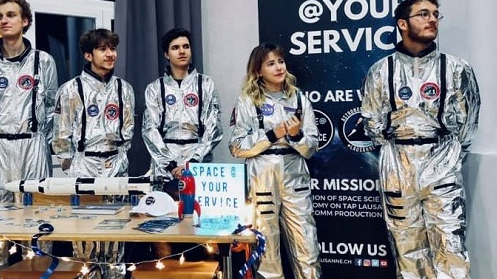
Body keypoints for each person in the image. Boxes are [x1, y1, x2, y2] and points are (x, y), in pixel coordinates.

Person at [361, 0, 480, 279]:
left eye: (435, 14)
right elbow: (371, 122)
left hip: (441, 164)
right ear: (403, 23)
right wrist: (396, 148)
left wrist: (448, 158)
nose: (432, 19)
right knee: (406, 248)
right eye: (423, 14)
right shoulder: (381, 71)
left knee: (450, 247)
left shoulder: (455, 69)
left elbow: (469, 122)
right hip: (397, 167)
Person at [0, 0, 59, 276]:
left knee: (35, 221)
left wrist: (38, 140)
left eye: (10, 15)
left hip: (32, 145)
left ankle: (34, 273)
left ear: (25, 21)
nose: (4, 20)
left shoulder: (43, 61)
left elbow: (50, 107)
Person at [229, 43, 320, 279]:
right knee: (266, 247)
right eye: (270, 63)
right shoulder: (248, 101)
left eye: (280, 61)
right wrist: (272, 134)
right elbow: (236, 147)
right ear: (258, 71)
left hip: (294, 174)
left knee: (306, 244)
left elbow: (311, 147)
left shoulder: (298, 98)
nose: (278, 67)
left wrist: (296, 135)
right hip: (262, 176)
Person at [52, 28, 135, 278]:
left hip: (116, 165)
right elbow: (60, 135)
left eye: (112, 48)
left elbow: (129, 129)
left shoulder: (124, 89)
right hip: (83, 163)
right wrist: (72, 164)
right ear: (88, 55)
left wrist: (118, 157)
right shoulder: (70, 90)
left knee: (116, 236)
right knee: (85, 240)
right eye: (103, 49)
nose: (110, 54)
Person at [142, 27, 222, 257]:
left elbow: (214, 127)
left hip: (198, 161)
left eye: (186, 46)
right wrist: (170, 165)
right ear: (166, 54)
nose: (182, 51)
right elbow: (149, 129)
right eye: (175, 48)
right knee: (162, 229)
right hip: (164, 164)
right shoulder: (155, 88)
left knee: (206, 228)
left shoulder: (205, 84)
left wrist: (192, 162)